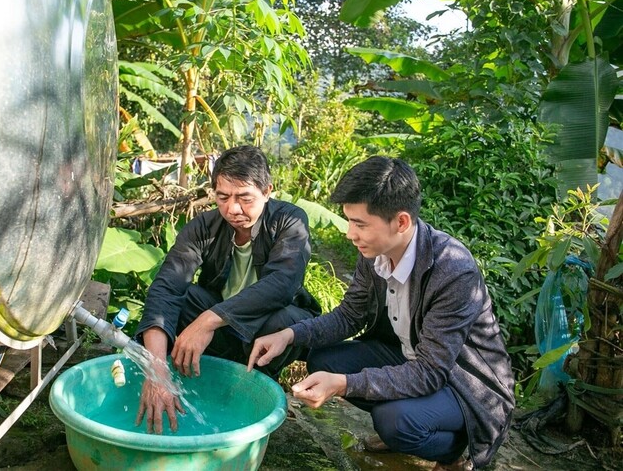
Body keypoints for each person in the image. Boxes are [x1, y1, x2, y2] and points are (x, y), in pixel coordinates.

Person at [247, 156, 515, 471]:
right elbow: (349, 316)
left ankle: (454, 449)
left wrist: (344, 384)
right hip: (408, 356)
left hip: (461, 382)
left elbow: (431, 372)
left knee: (394, 421)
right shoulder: (375, 253)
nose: (350, 233)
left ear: (401, 222)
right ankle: (413, 418)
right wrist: (289, 335)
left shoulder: (453, 270)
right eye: (349, 221)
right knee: (324, 360)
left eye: (360, 224)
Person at [134, 145, 321, 434]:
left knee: (282, 320)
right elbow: (167, 288)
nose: (232, 209)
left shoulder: (289, 220)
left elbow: (282, 285)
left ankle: (256, 390)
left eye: (245, 198)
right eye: (223, 197)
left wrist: (208, 321)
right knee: (182, 299)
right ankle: (182, 379)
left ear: (267, 191)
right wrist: (155, 369)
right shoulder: (204, 227)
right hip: (225, 329)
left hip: (268, 328)